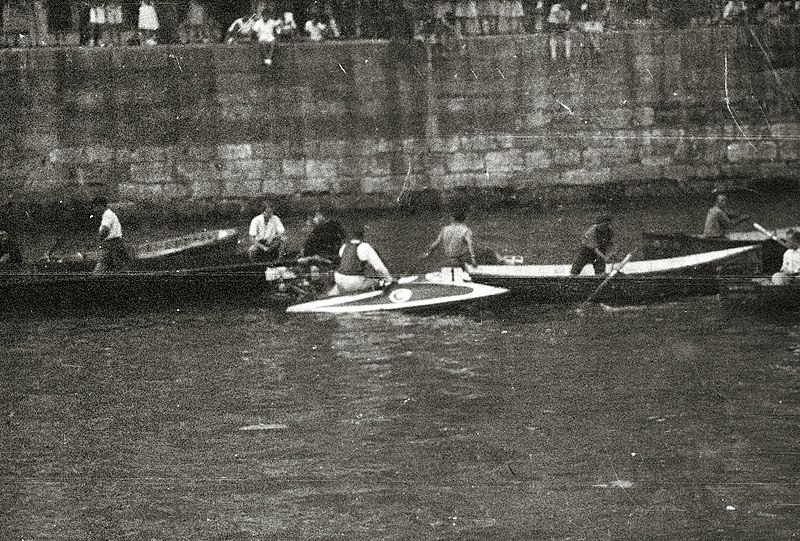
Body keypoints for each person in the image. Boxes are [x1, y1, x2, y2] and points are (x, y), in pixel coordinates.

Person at [333, 226, 393, 294]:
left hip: (338, 278)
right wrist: (389, 279)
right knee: (380, 282)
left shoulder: (344, 246)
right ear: (362, 235)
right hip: (353, 282)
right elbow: (379, 268)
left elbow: (346, 261)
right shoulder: (365, 247)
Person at [92, 197, 129, 273]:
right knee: (118, 267)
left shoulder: (107, 215)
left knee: (102, 265)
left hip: (111, 244)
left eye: (95, 207)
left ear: (100, 205)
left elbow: (105, 230)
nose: (95, 210)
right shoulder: (109, 214)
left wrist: (99, 240)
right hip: (116, 243)